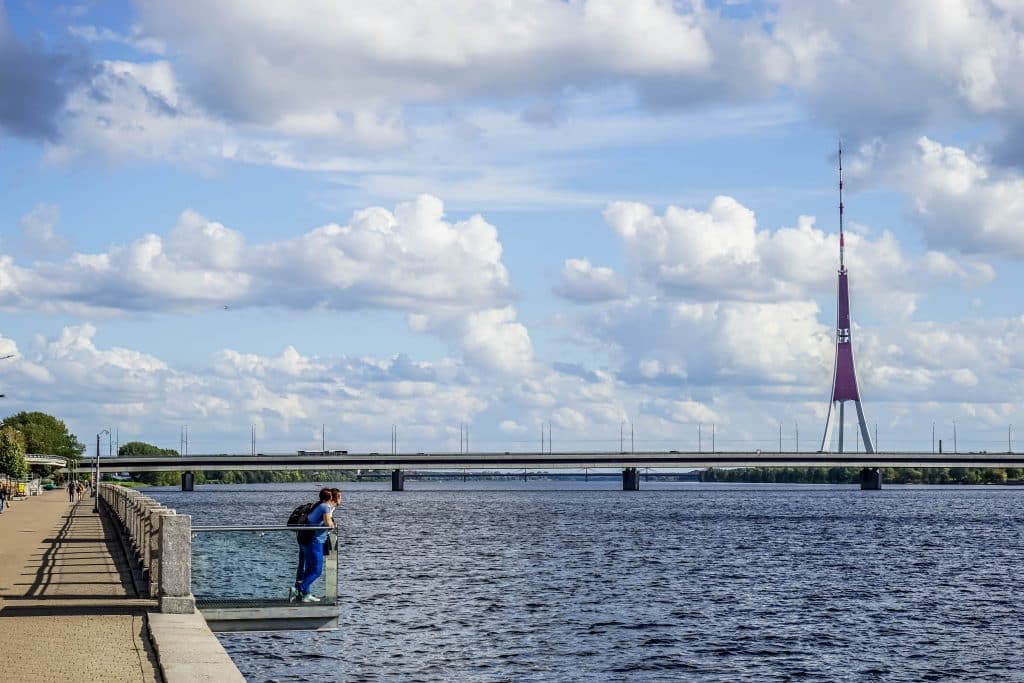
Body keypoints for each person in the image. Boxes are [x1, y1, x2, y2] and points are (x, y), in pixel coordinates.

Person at [290, 488, 335, 603]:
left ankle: (306, 594)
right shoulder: (325, 507)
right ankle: (298, 589)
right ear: (330, 498)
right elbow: (328, 523)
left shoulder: (318, 506)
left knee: (309, 569)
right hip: (316, 541)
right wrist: (333, 524)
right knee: (317, 571)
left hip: (309, 540)